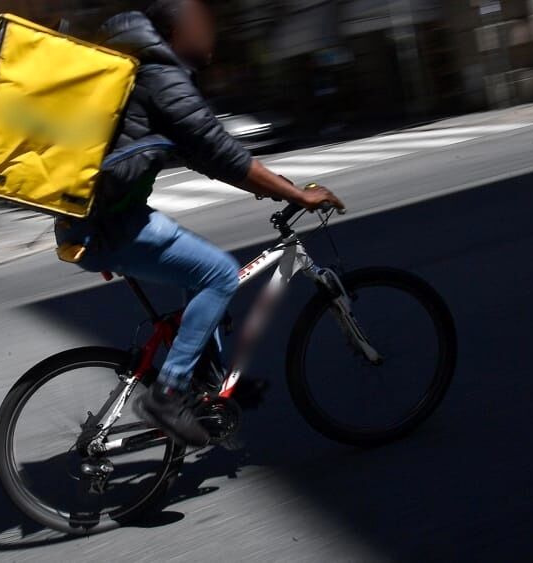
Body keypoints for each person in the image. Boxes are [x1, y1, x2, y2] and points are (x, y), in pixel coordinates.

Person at [56, 0, 344, 446]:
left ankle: (206, 382)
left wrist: (278, 184)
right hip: (109, 224)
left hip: (105, 217)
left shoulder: (144, 67)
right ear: (175, 32)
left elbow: (202, 154)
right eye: (201, 24)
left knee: (199, 273)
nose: (210, 33)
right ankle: (168, 394)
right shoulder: (159, 73)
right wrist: (297, 195)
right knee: (219, 274)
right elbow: (220, 152)